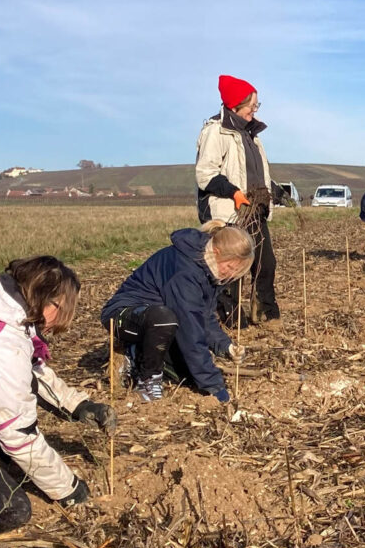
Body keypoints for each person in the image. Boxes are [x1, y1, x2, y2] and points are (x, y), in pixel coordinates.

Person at [0, 257, 116, 532]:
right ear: (47, 300)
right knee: (11, 508)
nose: (63, 320)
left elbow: (31, 372)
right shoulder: (1, 344)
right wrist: (69, 489)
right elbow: (17, 436)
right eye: (64, 309)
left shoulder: (0, 301)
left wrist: (78, 406)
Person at [101, 221, 253, 403]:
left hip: (160, 322)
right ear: (217, 253)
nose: (230, 275)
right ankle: (145, 375)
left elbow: (202, 316)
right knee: (163, 319)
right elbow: (190, 329)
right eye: (230, 268)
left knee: (184, 374)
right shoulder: (185, 273)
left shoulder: (207, 270)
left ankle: (143, 354)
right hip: (124, 316)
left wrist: (224, 345)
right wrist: (214, 386)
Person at [195, 74, 279, 326]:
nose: (255, 110)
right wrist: (234, 192)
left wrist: (271, 191)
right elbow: (205, 174)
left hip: (254, 210)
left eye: (257, 105)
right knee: (232, 266)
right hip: (229, 211)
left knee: (266, 263)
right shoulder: (215, 131)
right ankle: (231, 318)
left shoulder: (252, 135)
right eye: (251, 105)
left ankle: (264, 311)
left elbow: (256, 172)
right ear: (235, 104)